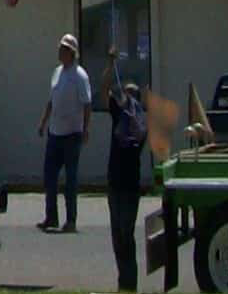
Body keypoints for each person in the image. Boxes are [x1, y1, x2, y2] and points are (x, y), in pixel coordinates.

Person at [99, 52, 149, 291]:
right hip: (115, 183)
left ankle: (130, 284)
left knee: (125, 235)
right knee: (117, 237)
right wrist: (110, 64)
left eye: (130, 94)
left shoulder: (138, 126)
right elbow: (104, 88)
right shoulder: (120, 117)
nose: (125, 97)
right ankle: (124, 283)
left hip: (129, 187)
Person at [34, 31, 91, 232]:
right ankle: (51, 217)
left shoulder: (80, 76)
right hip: (55, 133)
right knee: (49, 175)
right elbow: (51, 101)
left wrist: (86, 129)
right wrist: (43, 122)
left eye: (63, 49)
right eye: (60, 48)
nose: (59, 51)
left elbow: (87, 104)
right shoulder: (57, 72)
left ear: (71, 52)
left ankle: (71, 220)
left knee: (70, 179)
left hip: (72, 135)